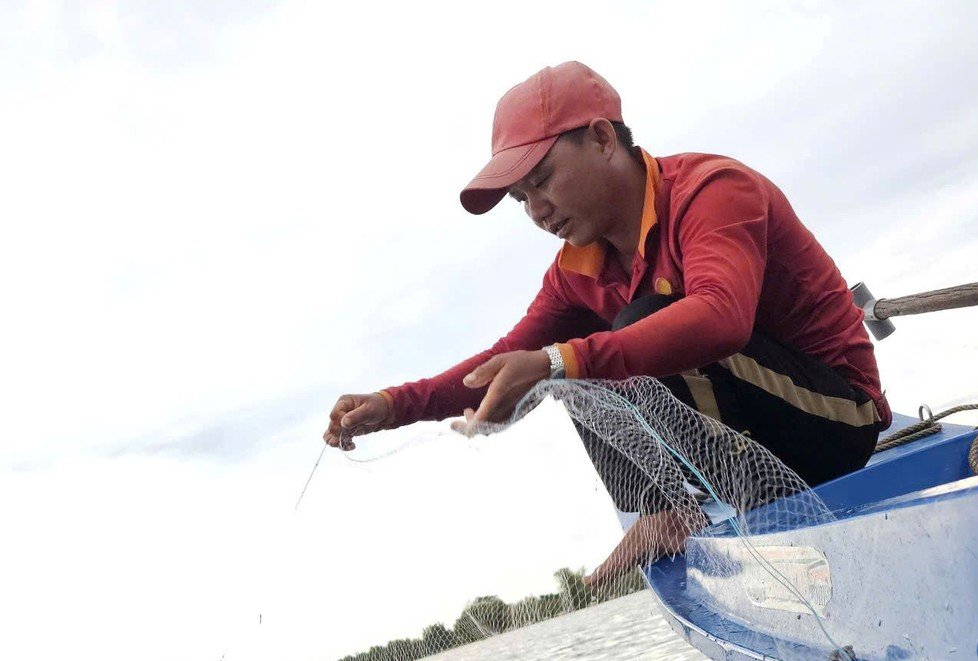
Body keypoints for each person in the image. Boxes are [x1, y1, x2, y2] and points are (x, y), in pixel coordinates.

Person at [324, 61, 889, 584]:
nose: (536, 210)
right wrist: (393, 405)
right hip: (757, 441)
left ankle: (754, 523)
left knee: (611, 336)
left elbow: (722, 317)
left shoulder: (712, 191)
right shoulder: (577, 270)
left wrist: (560, 360)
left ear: (601, 138)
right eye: (522, 197)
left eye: (543, 179)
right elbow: (505, 360)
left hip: (839, 421)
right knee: (563, 358)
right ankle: (661, 513)